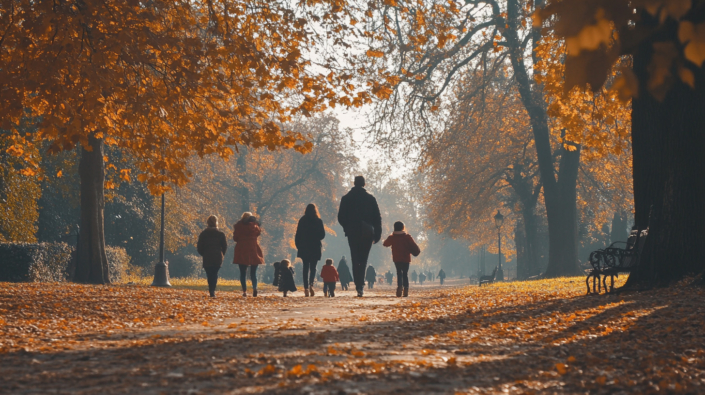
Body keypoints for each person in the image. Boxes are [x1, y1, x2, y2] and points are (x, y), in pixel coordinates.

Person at [337, 176, 382, 297]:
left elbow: (340, 217)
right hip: (367, 232)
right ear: (364, 184)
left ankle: (358, 284)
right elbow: (377, 218)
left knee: (354, 258)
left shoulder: (346, 198)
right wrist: (377, 233)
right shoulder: (370, 198)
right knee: (363, 259)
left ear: (354, 183)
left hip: (352, 231)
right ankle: (360, 285)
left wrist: (347, 226)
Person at [382, 221, 421, 297]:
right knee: (405, 274)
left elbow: (385, 244)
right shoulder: (407, 237)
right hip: (406, 258)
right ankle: (406, 289)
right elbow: (414, 246)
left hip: (397, 258)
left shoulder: (392, 237)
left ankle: (399, 287)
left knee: (399, 273)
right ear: (403, 227)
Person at [295, 203, 326, 297]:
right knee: (313, 267)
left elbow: (298, 234)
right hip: (315, 246)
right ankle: (311, 284)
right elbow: (322, 235)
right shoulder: (318, 221)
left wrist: (298, 245)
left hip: (304, 246)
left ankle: (305, 288)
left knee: (305, 267)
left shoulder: (302, 220)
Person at [233, 212, 264, 297]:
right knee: (253, 273)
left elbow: (235, 238)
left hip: (242, 250)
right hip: (253, 249)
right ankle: (254, 288)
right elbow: (258, 233)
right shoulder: (255, 226)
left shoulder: (239, 226)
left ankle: (244, 291)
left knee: (243, 272)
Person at [196, 215, 228, 298]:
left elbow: (199, 246)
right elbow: (224, 246)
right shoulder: (220, 234)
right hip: (217, 256)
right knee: (215, 273)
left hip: (207, 256)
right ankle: (212, 290)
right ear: (216, 223)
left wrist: (203, 253)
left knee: (209, 274)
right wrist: (222, 254)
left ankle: (211, 289)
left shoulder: (203, 234)